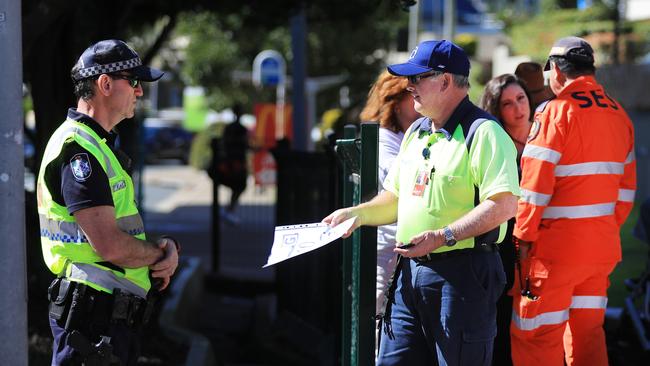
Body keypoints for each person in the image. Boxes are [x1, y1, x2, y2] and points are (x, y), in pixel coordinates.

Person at [324, 39, 521, 365]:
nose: (409, 86)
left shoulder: (484, 132)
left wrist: (443, 236)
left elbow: (502, 205)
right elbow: (396, 198)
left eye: (418, 78)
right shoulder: (416, 131)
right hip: (410, 274)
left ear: (445, 81)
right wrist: (356, 214)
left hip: (463, 276)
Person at [36, 39, 180, 365]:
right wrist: (160, 254)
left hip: (102, 323)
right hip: (91, 324)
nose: (139, 92)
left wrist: (162, 249)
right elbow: (110, 245)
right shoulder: (79, 151)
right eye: (134, 81)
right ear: (104, 84)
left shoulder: (95, 144)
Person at [511, 36, 636, 366]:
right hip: (599, 250)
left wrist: (522, 239)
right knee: (588, 336)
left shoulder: (554, 112)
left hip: (554, 253)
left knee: (536, 337)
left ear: (555, 71)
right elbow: (625, 193)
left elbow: (534, 188)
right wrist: (600, 230)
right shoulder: (618, 114)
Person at [358, 70, 420, 346]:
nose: (420, 102)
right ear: (396, 102)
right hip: (387, 255)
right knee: (383, 336)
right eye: (413, 94)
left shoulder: (404, 137)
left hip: (396, 252)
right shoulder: (385, 144)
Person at [479, 74, 534, 366]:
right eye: (507, 103)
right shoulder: (498, 145)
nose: (517, 108)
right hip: (506, 243)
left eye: (521, 99)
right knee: (504, 323)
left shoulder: (543, 136)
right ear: (497, 110)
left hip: (544, 242)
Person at [217, 103, 249, 223]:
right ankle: (229, 210)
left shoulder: (231, 128)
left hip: (233, 162)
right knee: (239, 185)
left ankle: (229, 210)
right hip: (236, 162)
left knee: (238, 186)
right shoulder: (239, 129)